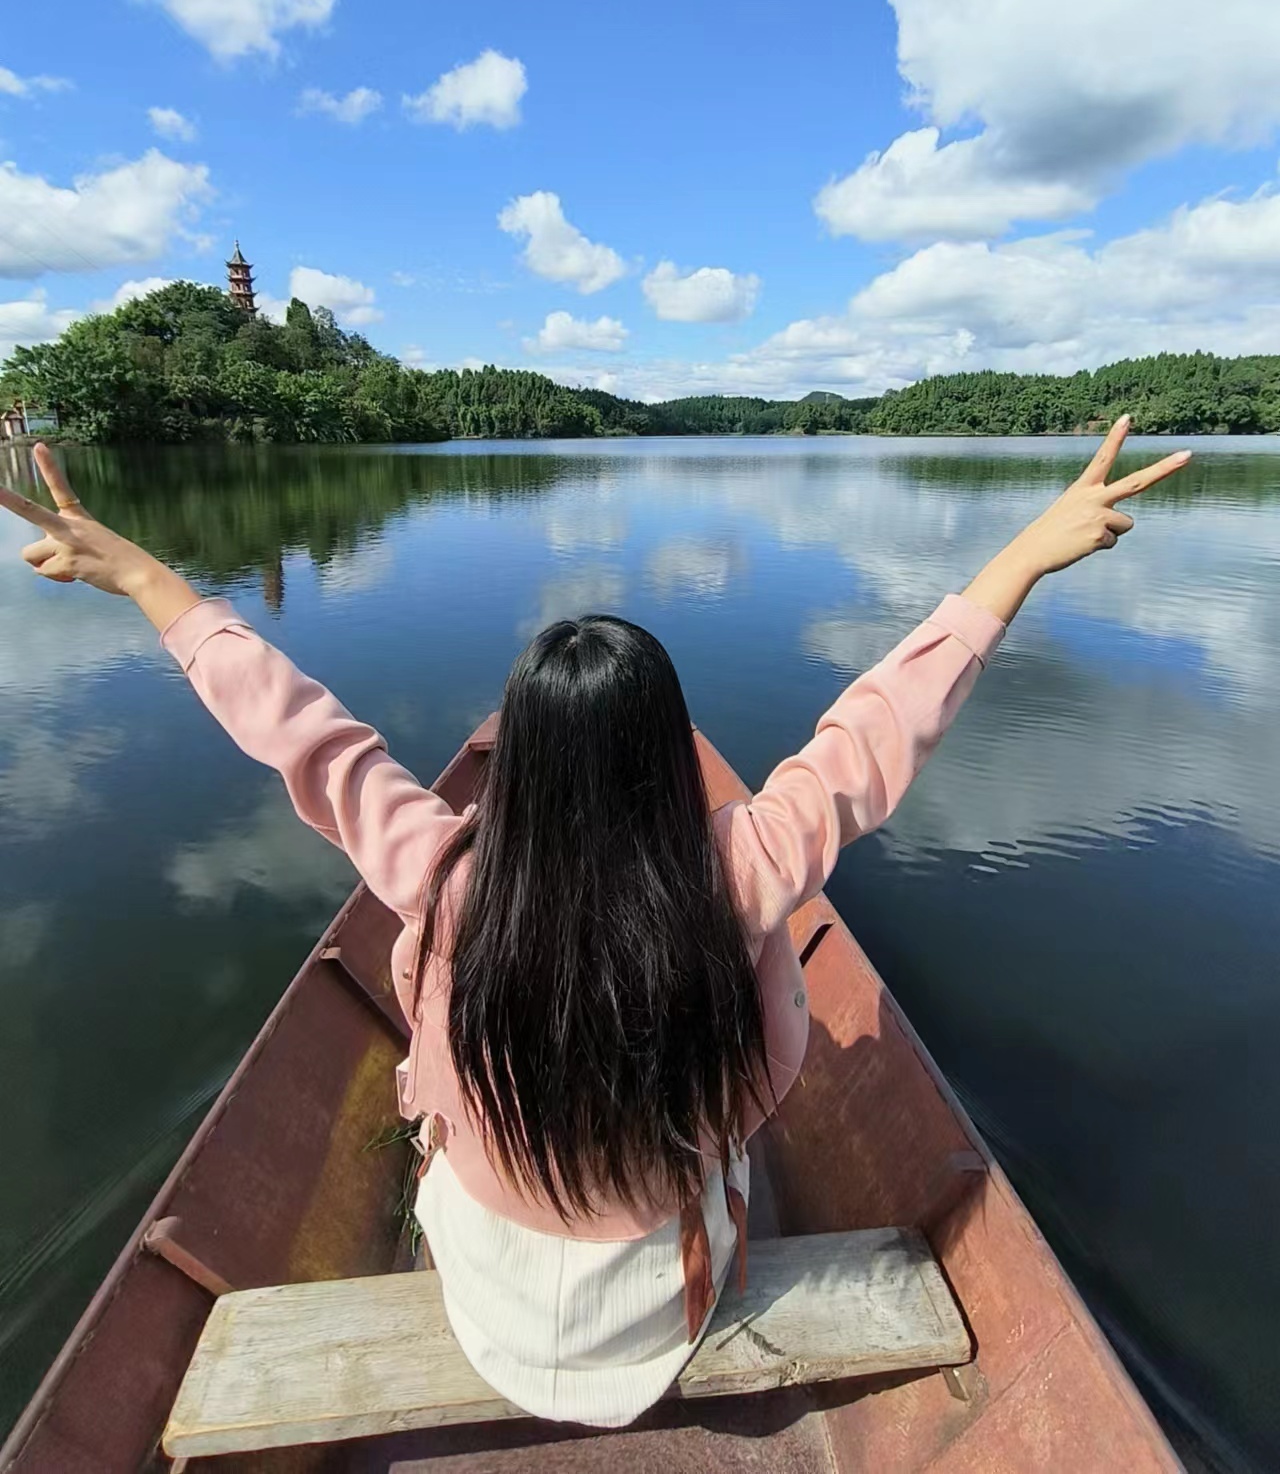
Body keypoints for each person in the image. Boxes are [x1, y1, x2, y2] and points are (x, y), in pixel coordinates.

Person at [0, 422, 1189, 1428]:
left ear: (519, 764)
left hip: (488, 1314)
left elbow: (306, 734)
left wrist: (155, 583)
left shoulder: (448, 871)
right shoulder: (737, 867)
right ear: (660, 753)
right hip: (659, 1322)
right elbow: (872, 736)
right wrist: (1019, 559)